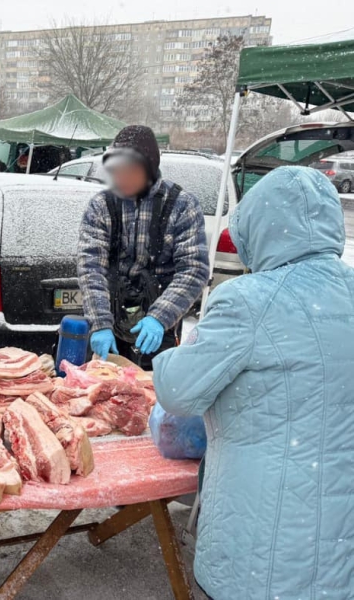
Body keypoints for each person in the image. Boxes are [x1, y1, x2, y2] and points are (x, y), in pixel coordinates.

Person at [153, 166, 354, 599]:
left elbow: (178, 391)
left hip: (262, 540)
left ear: (259, 228)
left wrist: (169, 354)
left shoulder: (250, 300)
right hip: (339, 534)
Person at [77, 125, 209, 368]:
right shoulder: (100, 206)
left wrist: (160, 318)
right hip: (111, 320)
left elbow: (194, 269)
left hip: (160, 325)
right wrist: (100, 324)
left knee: (154, 395)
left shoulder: (182, 206)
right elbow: (91, 268)